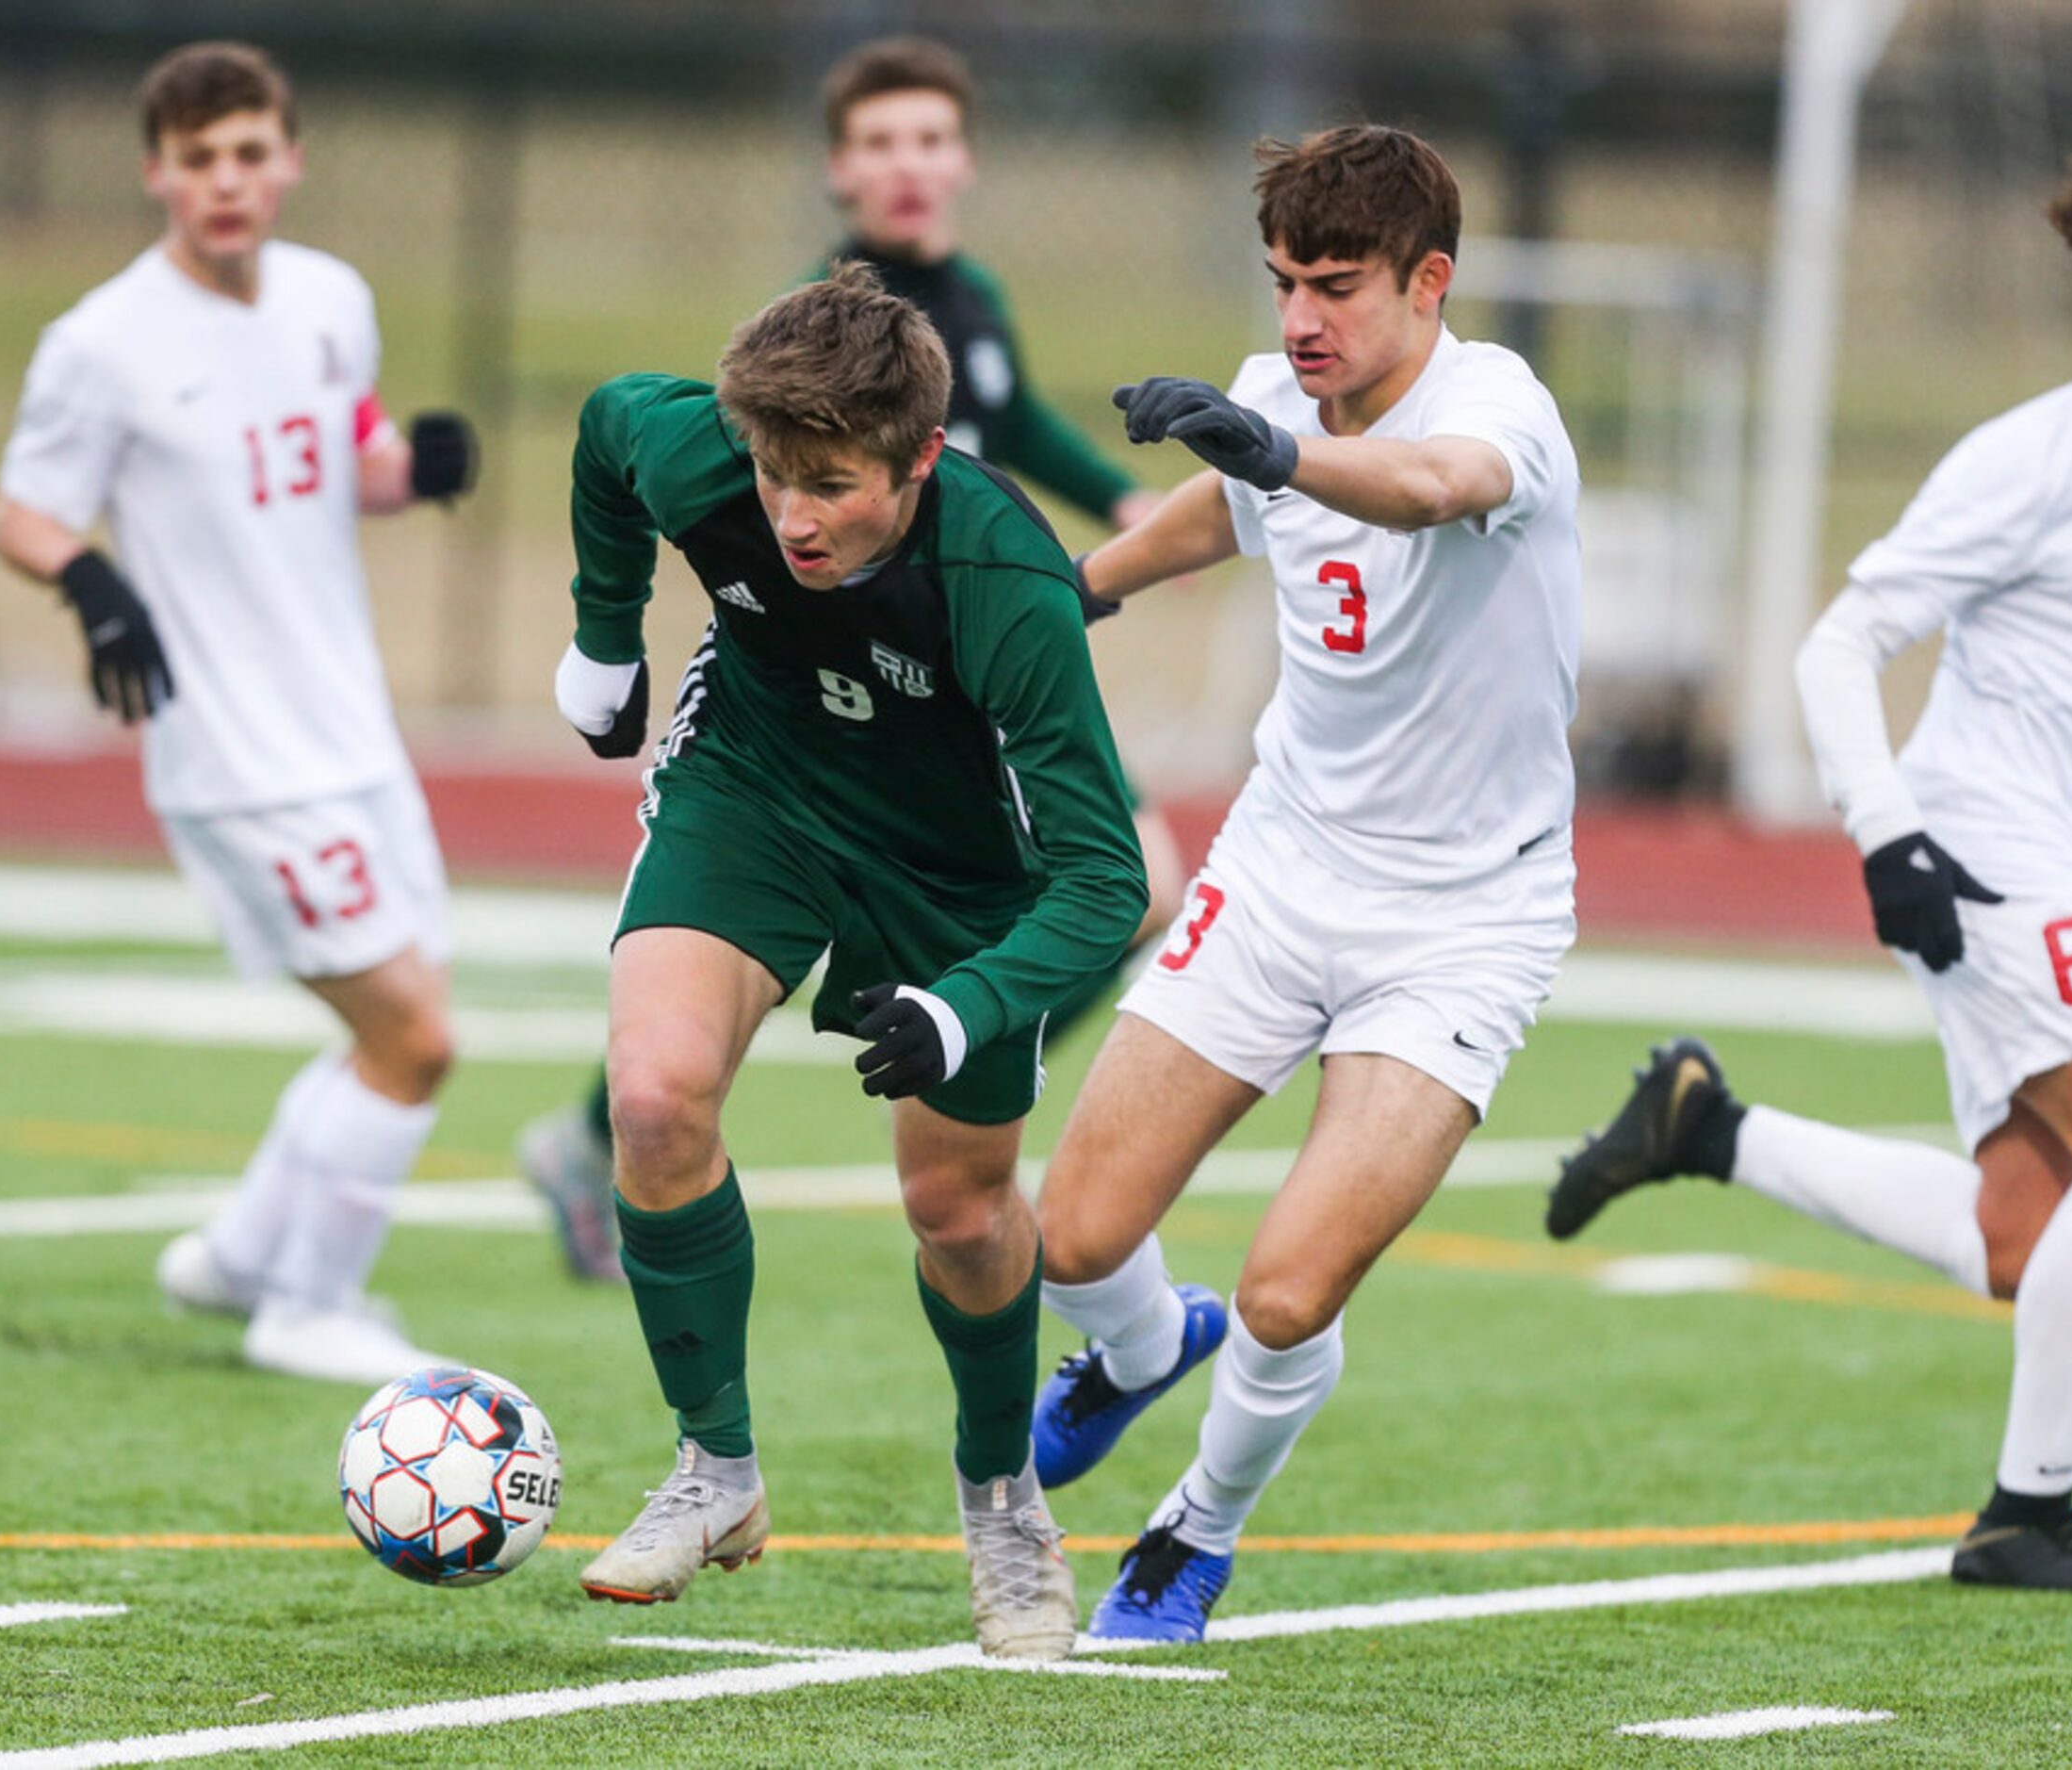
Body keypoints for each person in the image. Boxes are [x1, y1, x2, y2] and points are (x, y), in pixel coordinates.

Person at [1545, 109, 2072, 1598]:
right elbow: (1842, 643)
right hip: (1975, 843)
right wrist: (1888, 836)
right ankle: (2025, 1515)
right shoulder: (2027, 457)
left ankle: (1707, 1126)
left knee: (2026, 1238)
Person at [1023, 124, 1584, 1642]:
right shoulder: (1285, 395)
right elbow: (1238, 506)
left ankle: (1190, 1533)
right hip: (1281, 871)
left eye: (1333, 286)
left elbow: (1419, 486)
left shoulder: (1495, 411)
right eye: (1281, 283)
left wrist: (1266, 440)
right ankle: (1138, 1347)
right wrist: (1079, 589)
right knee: (1067, 1238)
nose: (1297, 321)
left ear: (1430, 281)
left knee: (1285, 1289)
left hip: (1463, 920)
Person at [514, 34, 1183, 1281]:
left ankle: (955, 1040)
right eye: (879, 144)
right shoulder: (830, 339)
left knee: (1133, 886)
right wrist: (603, 633)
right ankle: (610, 1127)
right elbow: (661, 449)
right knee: (827, 889)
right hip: (849, 690)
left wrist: (1119, 500)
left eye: (929, 139)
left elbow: (1011, 411)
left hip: (968, 677)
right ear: (837, 169)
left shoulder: (968, 299)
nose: (907, 165)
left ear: (964, 158)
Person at [550, 264, 1148, 1660]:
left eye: (831, 484)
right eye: (771, 477)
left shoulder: (1003, 583)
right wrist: (600, 633)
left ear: (922, 457)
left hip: (956, 871)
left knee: (957, 1210)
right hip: (756, 789)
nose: (790, 516)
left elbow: (1106, 877)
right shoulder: (706, 447)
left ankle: (1003, 1499)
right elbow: (600, 424)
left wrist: (966, 1005)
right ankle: (716, 1471)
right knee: (650, 1095)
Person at [0, 41, 481, 1385]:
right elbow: (23, 511)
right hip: (231, 753)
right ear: (156, 171)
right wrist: (89, 577)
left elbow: (350, 456)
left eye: (250, 153)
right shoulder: (100, 342)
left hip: (351, 731)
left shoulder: (331, 298)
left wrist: (413, 466)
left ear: (291, 160)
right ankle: (305, 1301)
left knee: (408, 1012)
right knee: (415, 1038)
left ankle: (241, 1254)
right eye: (198, 159)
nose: (226, 181)